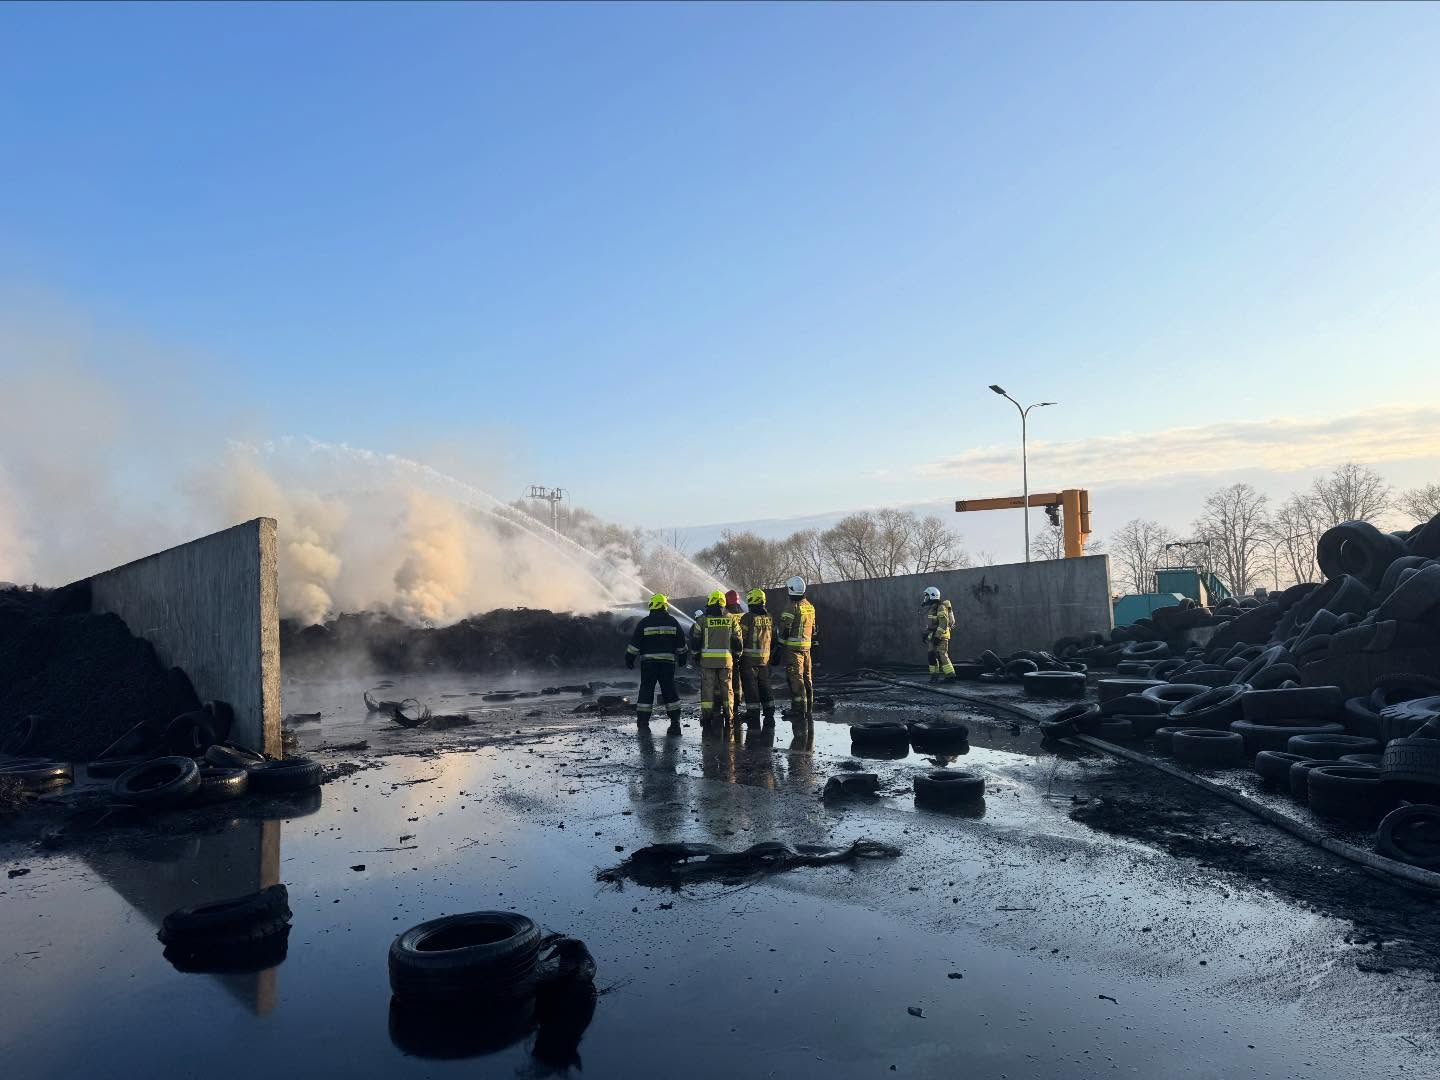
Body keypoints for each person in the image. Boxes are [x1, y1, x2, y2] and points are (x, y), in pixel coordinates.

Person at [625, 593, 688, 734]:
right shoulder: (673, 621)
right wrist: (682, 658)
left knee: (646, 690)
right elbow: (681, 644)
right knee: (669, 689)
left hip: (649, 664)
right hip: (667, 664)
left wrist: (629, 658)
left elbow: (635, 644)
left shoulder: (644, 623)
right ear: (664, 605)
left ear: (652, 605)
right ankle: (675, 721)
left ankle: (642, 721)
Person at [696, 590, 742, 733]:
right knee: (727, 690)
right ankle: (729, 716)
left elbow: (695, 640)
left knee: (708, 690)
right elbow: (738, 640)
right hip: (726, 662)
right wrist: (737, 655)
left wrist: (696, 655)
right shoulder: (731, 619)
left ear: (711, 601)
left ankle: (707, 717)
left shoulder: (702, 620)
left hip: (707, 663)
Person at [776, 576, 817, 723]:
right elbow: (814, 629)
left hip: (793, 650)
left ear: (791, 590)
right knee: (807, 678)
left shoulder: (791, 607)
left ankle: (798, 710)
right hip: (807, 649)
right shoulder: (810, 606)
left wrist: (778, 647)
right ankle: (808, 708)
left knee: (796, 679)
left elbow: (785, 630)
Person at [738, 587, 775, 727]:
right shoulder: (769, 617)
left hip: (749, 659)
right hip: (764, 659)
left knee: (751, 687)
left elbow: (741, 638)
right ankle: (769, 709)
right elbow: (774, 637)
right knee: (765, 685)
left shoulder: (747, 617)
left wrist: (737, 655)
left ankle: (753, 713)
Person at [921, 586, 957, 683]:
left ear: (933, 596)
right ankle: (934, 677)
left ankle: (950, 676)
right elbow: (932, 625)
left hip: (941, 636)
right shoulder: (932, 608)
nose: (926, 598)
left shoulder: (941, 607)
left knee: (942, 655)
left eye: (927, 596)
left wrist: (937, 636)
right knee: (931, 655)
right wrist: (925, 634)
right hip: (933, 636)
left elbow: (943, 623)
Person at [724, 589, 746, 724]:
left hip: (729, 653)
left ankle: (730, 705)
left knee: (729, 680)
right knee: (741, 680)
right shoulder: (745, 616)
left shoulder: (726, 616)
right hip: (744, 652)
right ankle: (738, 704)